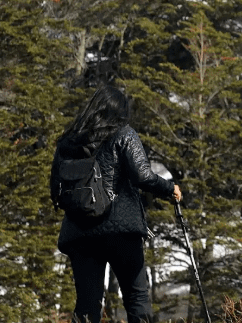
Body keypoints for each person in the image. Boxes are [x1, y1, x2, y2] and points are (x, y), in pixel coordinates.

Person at [50, 85, 181, 323]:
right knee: (137, 299)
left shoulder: (68, 141)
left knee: (87, 305)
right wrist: (170, 189)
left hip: (79, 233)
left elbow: (55, 189)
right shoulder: (124, 133)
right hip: (121, 229)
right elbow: (143, 176)